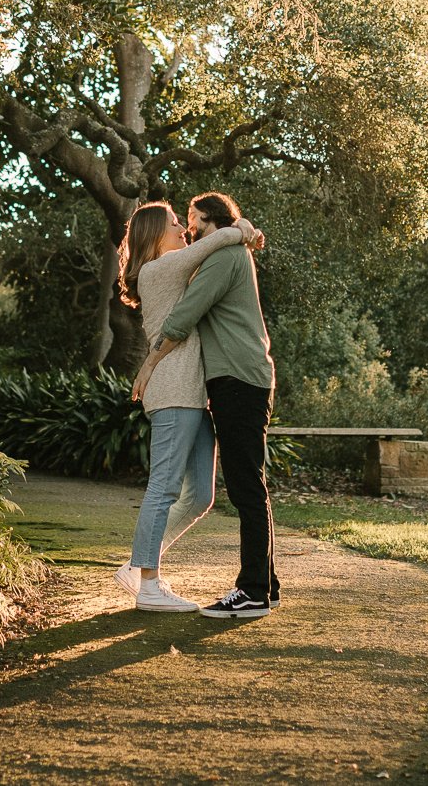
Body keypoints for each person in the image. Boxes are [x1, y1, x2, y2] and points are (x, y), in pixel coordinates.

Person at [112, 200, 262, 613]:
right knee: (163, 488)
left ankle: (139, 563)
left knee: (199, 497)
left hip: (193, 394)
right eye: (176, 223)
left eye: (185, 222)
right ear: (154, 236)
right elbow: (219, 240)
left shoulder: (173, 268)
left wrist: (240, 229)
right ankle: (149, 585)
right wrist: (243, 227)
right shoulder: (158, 269)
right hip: (174, 390)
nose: (184, 229)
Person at [158, 191, 280, 619]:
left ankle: (251, 593)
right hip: (243, 379)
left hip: (238, 381)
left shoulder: (225, 256)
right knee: (251, 482)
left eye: (191, 218)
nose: (188, 227)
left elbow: (186, 313)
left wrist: (151, 359)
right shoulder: (231, 249)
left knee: (246, 485)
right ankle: (267, 584)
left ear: (208, 220)